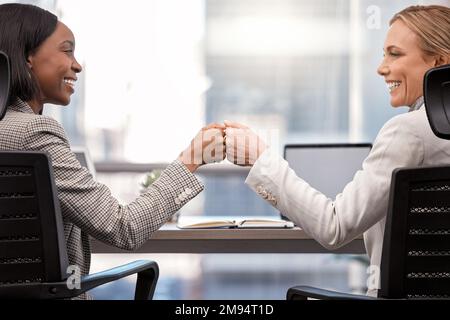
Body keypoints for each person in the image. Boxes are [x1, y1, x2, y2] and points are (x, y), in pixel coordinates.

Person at [0, 3, 225, 299]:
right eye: (67, 51)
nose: (77, 65)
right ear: (27, 57)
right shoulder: (35, 133)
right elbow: (124, 228)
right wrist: (192, 159)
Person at [224, 4, 450, 296]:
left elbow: (335, 227)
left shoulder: (409, 131)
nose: (382, 68)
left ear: (439, 62)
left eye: (395, 53)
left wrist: (261, 159)